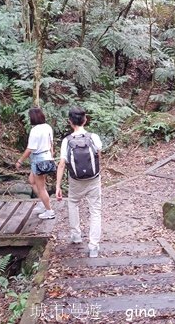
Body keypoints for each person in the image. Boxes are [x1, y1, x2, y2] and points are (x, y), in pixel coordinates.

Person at [55, 106, 103, 258]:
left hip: (75, 180)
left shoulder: (66, 141)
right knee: (95, 210)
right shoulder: (93, 137)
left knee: (73, 203)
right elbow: (98, 155)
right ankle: (94, 247)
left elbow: (62, 164)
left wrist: (57, 186)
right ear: (85, 120)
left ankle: (76, 235)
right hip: (94, 178)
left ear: (70, 122)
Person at [15, 107, 55, 219]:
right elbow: (51, 143)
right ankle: (44, 202)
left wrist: (20, 161)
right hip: (46, 157)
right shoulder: (47, 127)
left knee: (41, 187)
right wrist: (51, 156)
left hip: (39, 160)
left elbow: (30, 149)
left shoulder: (34, 131)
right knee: (32, 180)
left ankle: (49, 211)